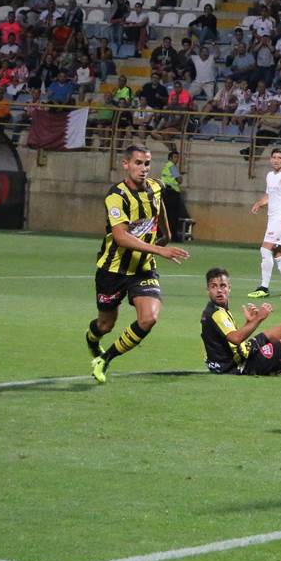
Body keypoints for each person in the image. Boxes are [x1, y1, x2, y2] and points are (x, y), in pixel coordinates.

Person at [87, 145, 190, 383]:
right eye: (138, 163)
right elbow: (121, 237)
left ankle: (106, 358)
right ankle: (92, 340)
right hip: (112, 270)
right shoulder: (116, 196)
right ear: (126, 164)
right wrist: (160, 249)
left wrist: (166, 232)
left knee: (149, 318)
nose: (143, 169)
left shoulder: (155, 186)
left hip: (143, 269)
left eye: (146, 164)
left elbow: (159, 204)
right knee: (105, 324)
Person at [199, 267, 281, 376]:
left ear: (229, 288)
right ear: (208, 290)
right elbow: (236, 338)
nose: (219, 290)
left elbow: (230, 340)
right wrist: (258, 318)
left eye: (223, 285)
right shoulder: (216, 313)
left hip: (241, 356)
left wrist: (249, 323)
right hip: (239, 367)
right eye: (214, 286)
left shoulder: (216, 309)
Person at [247, 148, 281, 299]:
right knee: (278, 252)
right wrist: (259, 203)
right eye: (274, 157)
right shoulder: (270, 176)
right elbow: (269, 196)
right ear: (270, 159)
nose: (276, 160)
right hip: (273, 218)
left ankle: (263, 287)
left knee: (265, 250)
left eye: (279, 158)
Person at [159, 147, 190, 242]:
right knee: (173, 216)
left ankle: (162, 235)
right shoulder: (172, 167)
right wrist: (180, 175)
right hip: (172, 193)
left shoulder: (166, 166)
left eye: (178, 157)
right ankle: (173, 236)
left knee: (165, 215)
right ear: (170, 158)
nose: (177, 159)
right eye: (175, 157)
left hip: (165, 192)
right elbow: (179, 180)